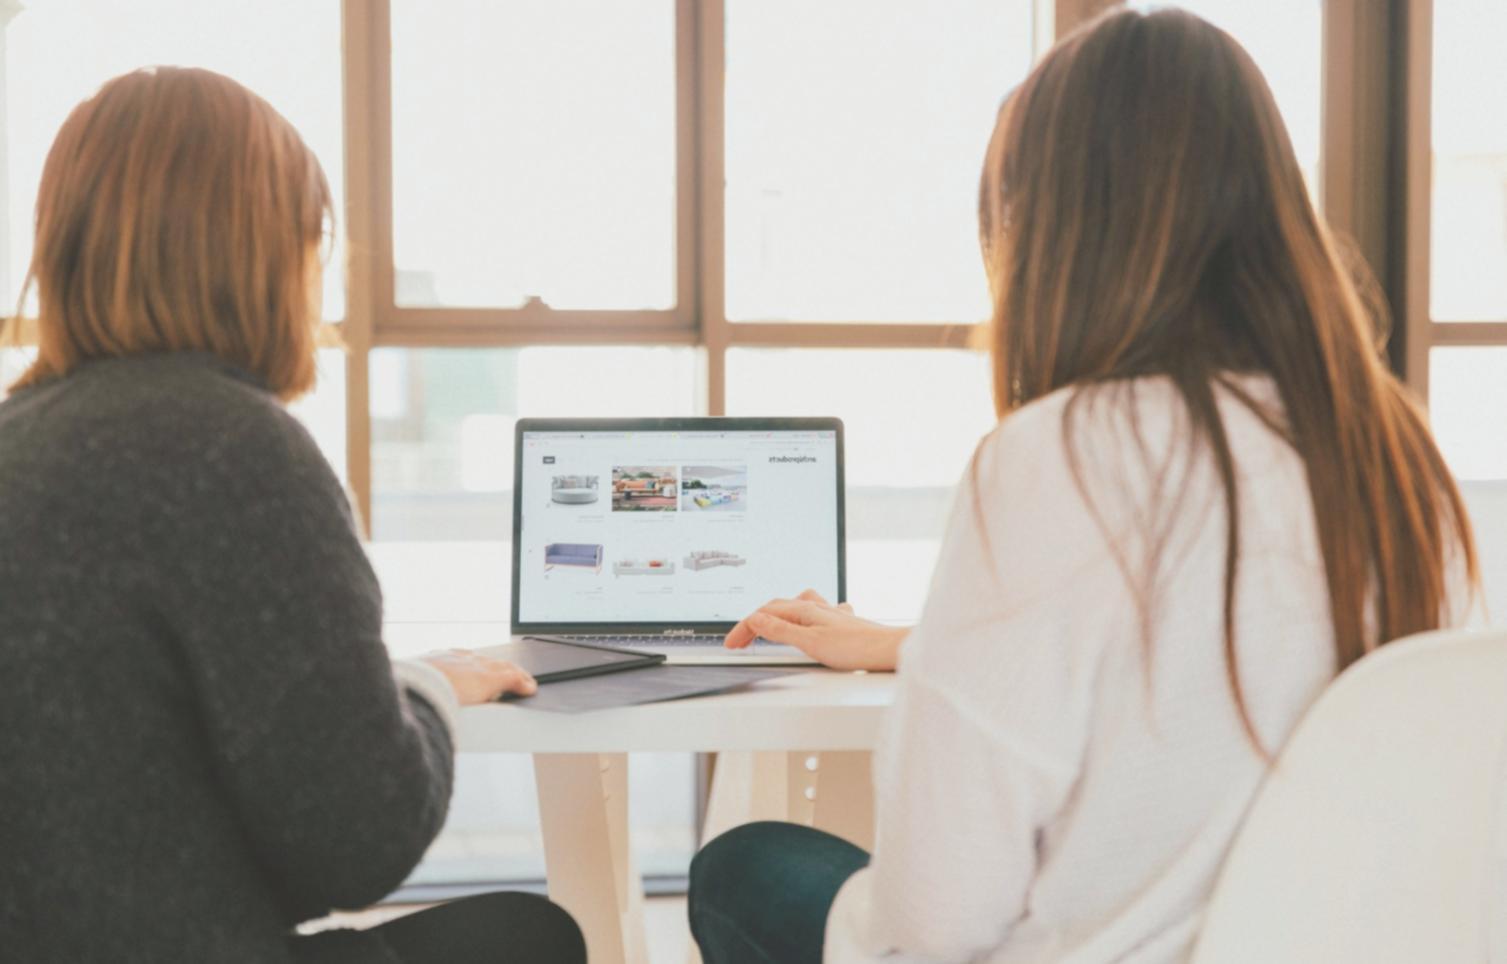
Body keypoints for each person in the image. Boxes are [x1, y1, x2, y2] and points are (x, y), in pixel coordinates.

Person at [690, 8, 1478, 964]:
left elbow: (933, 924)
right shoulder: (1395, 456)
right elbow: (1203, 668)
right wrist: (914, 645)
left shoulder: (1058, 455)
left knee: (745, 866)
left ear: (1048, 229)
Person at [0, 67, 584, 964]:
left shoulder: (19, 433)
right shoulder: (233, 447)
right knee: (531, 937)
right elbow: (359, 844)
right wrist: (423, 689)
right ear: (265, 251)